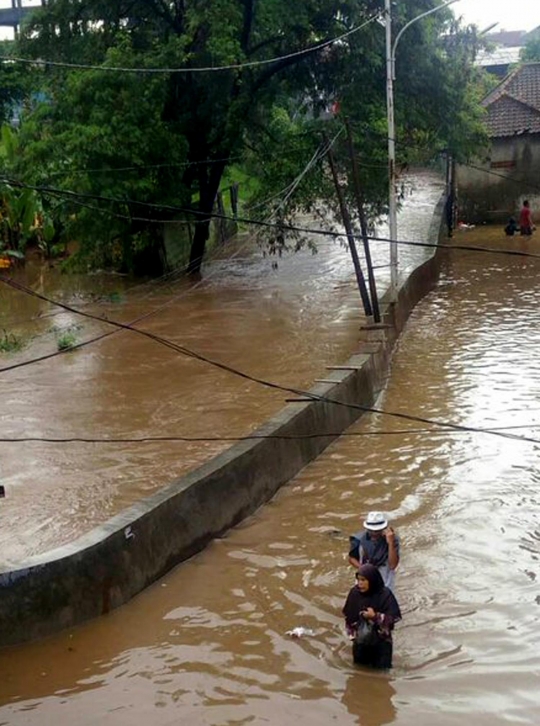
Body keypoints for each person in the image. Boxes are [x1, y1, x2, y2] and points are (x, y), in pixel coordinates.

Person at [343, 564, 402, 669]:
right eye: (358, 580)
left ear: (372, 580)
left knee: (382, 676)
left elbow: (393, 619)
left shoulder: (385, 595)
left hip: (381, 644)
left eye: (363, 580)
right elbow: (349, 618)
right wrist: (353, 636)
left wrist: (375, 616)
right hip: (360, 644)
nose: (360, 583)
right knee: (359, 674)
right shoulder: (354, 594)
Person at [348, 512, 400, 591]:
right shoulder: (358, 540)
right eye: (371, 531)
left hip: (385, 582)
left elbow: (393, 565)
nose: (374, 533)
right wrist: (364, 569)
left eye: (378, 531)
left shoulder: (392, 540)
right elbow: (352, 558)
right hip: (364, 580)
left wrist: (390, 543)